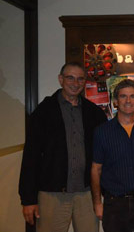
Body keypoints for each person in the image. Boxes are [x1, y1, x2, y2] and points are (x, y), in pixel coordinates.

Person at [19, 62, 107, 232]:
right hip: (52, 194)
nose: (76, 83)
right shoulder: (43, 112)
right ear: (61, 79)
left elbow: (109, 144)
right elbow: (31, 157)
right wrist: (28, 199)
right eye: (70, 78)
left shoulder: (94, 113)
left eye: (80, 79)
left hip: (86, 193)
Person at [91, 79, 134, 232]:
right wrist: (97, 203)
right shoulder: (102, 132)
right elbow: (96, 169)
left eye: (132, 96)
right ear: (116, 101)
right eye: (123, 96)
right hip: (114, 204)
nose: (128, 101)